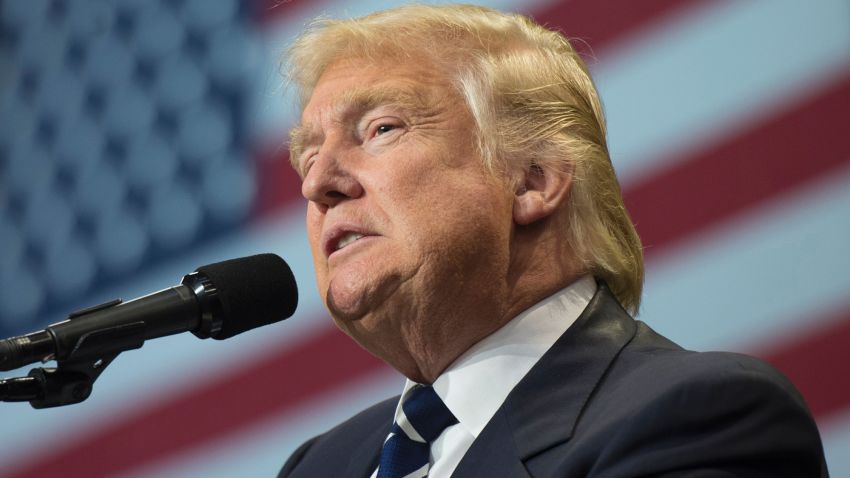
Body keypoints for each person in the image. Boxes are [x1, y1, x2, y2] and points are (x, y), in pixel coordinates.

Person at [279, 4, 828, 477]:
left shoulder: (697, 420)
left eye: (381, 128)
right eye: (307, 156)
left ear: (534, 179)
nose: (317, 183)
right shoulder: (320, 464)